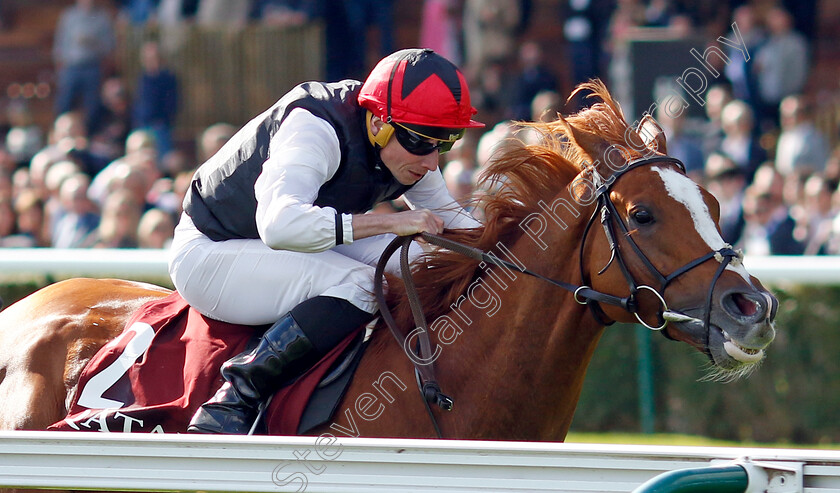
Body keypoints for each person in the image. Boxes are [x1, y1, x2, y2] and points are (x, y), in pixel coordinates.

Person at [169, 48, 484, 434]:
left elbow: (459, 228)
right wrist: (392, 222)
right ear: (378, 124)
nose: (432, 161)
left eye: (444, 143)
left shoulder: (403, 142)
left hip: (291, 242)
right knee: (362, 285)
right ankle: (236, 396)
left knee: (419, 262)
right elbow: (280, 225)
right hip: (212, 251)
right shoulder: (316, 126)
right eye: (422, 141)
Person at [52, 0, 116, 133]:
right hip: (71, 67)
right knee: (64, 102)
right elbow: (60, 43)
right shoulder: (69, 16)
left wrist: (92, 42)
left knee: (92, 105)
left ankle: (89, 135)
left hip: (92, 66)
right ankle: (60, 132)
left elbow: (109, 46)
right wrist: (60, 64)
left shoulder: (102, 18)